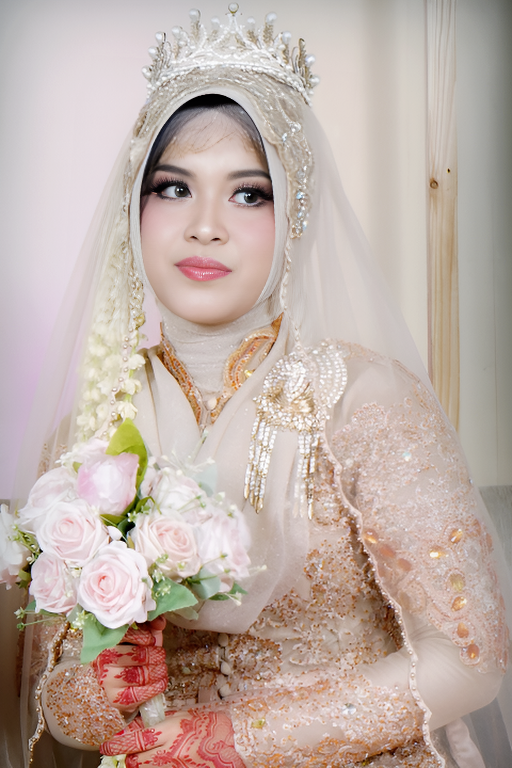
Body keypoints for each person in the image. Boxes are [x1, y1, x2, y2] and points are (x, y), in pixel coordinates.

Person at [6, 7, 511, 768]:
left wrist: (239, 740)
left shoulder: (364, 401)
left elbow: (472, 658)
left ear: (296, 217)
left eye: (249, 194)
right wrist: (103, 687)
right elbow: (56, 700)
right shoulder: (94, 432)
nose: (205, 226)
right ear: (134, 209)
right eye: (173, 188)